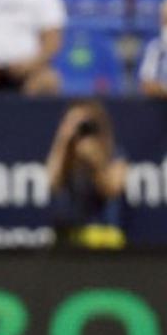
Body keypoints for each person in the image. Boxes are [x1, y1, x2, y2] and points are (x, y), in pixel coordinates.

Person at [46, 100, 128, 249]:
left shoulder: (115, 154)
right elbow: (52, 181)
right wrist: (64, 140)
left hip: (103, 236)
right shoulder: (65, 154)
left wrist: (97, 163)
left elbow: (113, 189)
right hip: (67, 235)